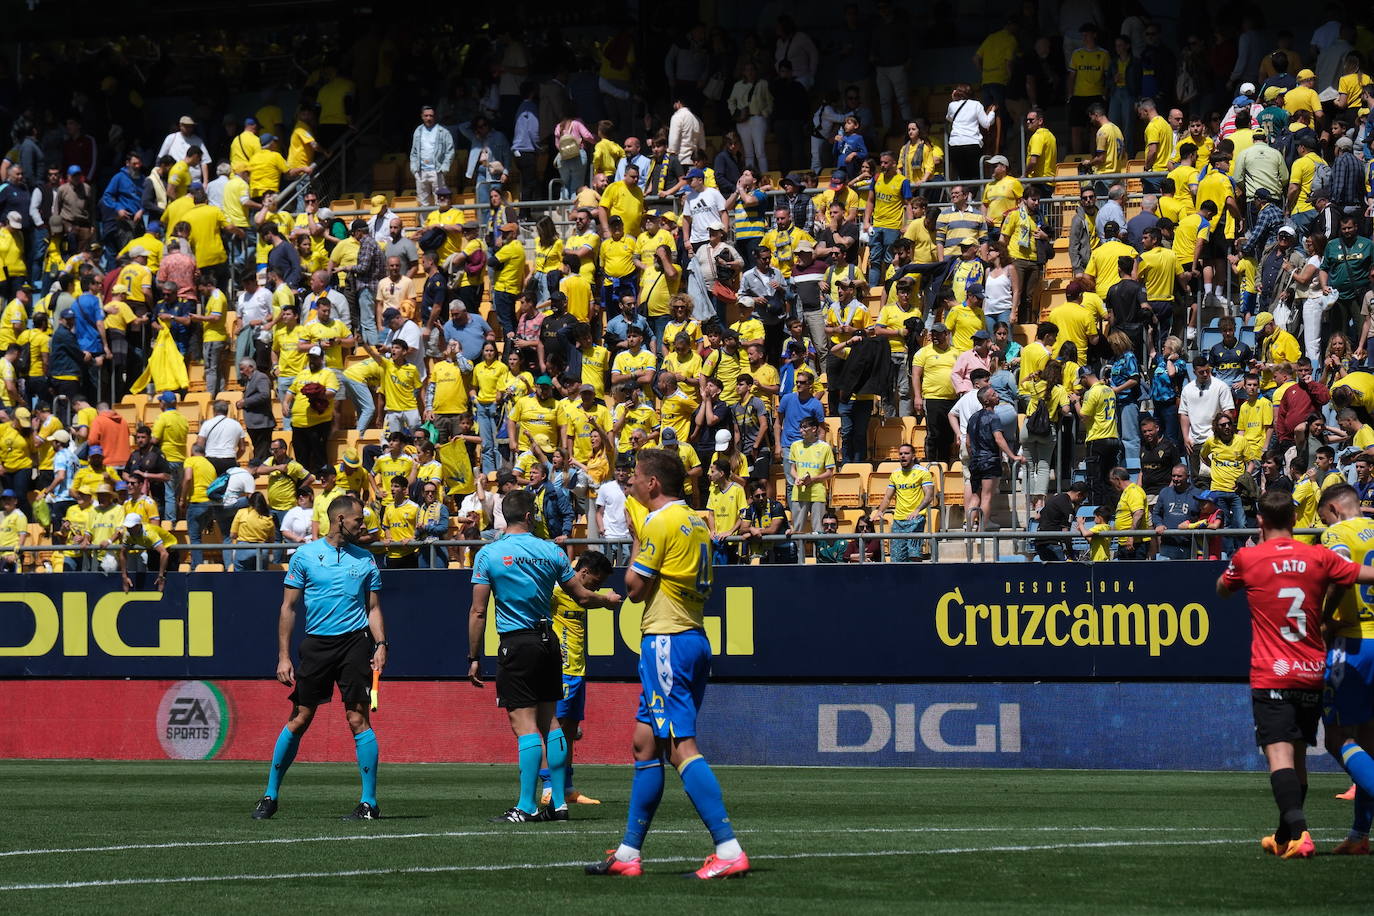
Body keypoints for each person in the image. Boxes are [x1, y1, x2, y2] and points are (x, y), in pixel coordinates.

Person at [585, 449, 748, 879]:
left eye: (635, 478)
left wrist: (638, 536)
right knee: (644, 742)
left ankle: (729, 849)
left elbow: (634, 587)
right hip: (691, 635)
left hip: (667, 641)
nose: (631, 484)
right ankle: (627, 853)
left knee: (680, 748)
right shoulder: (696, 519)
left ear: (653, 483)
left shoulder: (661, 521)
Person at [1216, 489, 1374, 858]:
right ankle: (1299, 834)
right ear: (1296, 520)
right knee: (1340, 748)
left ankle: (1301, 834)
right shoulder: (1318, 555)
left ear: (1259, 522)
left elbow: (1222, 588)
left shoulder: (1250, 557)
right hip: (1311, 671)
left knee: (1291, 753)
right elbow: (1357, 575)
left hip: (1291, 665)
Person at [468, 488, 622, 823]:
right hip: (549, 643)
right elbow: (581, 596)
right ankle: (560, 802)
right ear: (528, 516)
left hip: (516, 642)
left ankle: (526, 805)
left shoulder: (489, 555)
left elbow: (478, 612)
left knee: (523, 725)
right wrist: (607, 601)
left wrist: (473, 656)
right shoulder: (552, 551)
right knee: (551, 723)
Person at [252, 495, 388, 821]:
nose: (363, 525)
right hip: (316, 646)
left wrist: (381, 644)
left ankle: (369, 802)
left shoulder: (366, 560)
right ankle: (270, 795)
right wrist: (283, 656)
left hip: (355, 644)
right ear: (341, 519)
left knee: (358, 718)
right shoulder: (305, 556)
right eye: (359, 520)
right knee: (300, 717)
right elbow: (288, 608)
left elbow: (373, 608)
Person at [1316, 483, 1374, 851]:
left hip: (1353, 644)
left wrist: (1324, 617)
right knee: (1369, 740)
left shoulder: (1336, 533)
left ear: (1334, 510)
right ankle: (1358, 836)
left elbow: (1341, 572)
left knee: (1339, 737)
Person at [537, 549, 614, 809]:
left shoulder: (578, 590)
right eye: (596, 582)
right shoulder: (559, 587)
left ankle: (567, 787)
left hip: (578, 668)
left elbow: (586, 600)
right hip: (560, 668)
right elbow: (583, 599)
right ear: (583, 573)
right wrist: (605, 599)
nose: (597, 587)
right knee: (554, 729)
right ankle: (548, 787)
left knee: (569, 730)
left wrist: (600, 597)